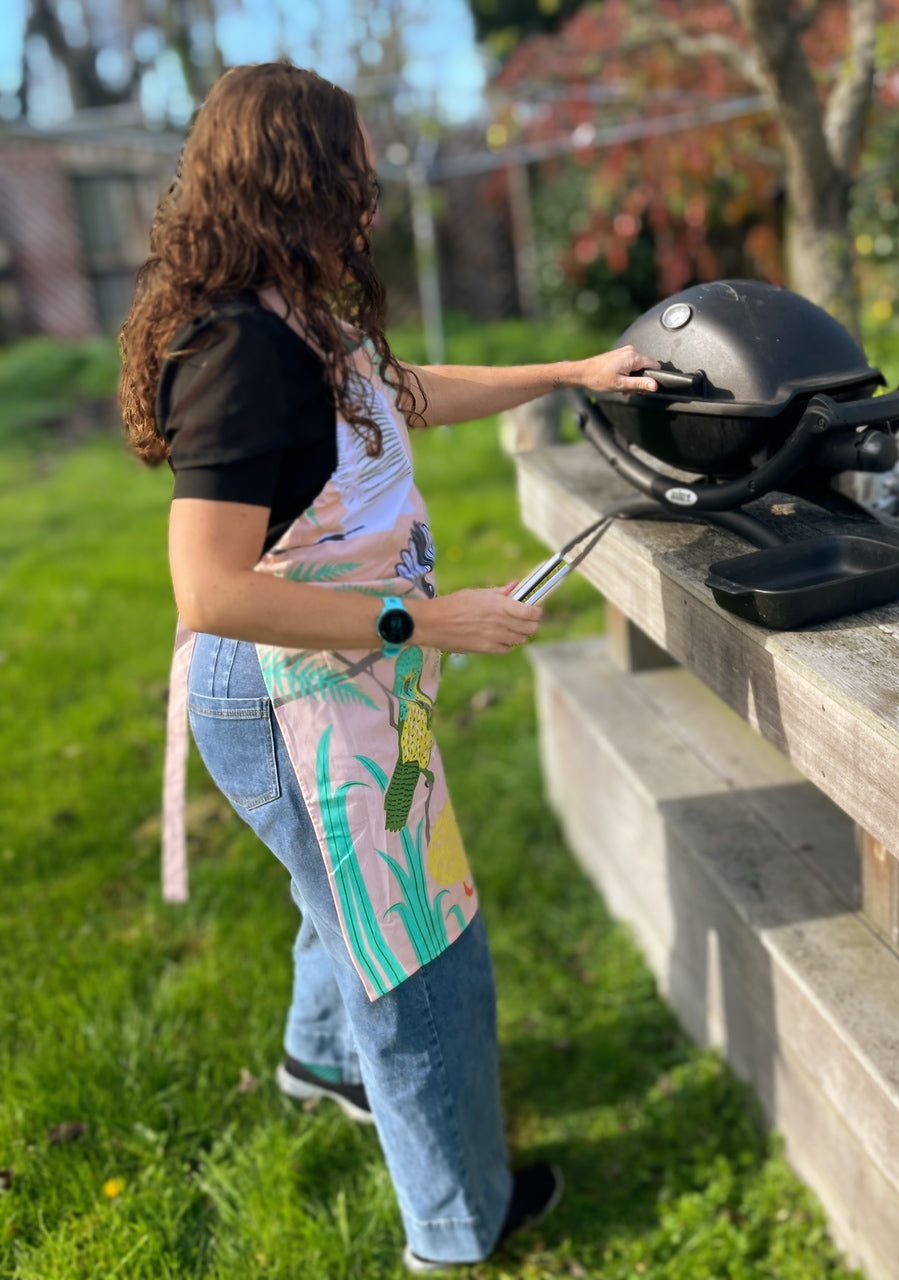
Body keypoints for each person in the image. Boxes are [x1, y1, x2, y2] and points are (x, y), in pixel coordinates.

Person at [117, 61, 659, 1273]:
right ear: (293, 180)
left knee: (344, 908)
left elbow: (398, 394)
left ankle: (316, 1061)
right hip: (289, 703)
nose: (367, 191)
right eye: (351, 171)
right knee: (417, 960)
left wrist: (571, 372)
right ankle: (457, 1230)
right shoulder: (238, 349)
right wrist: (432, 621)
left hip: (338, 682)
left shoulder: (291, 308)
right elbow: (208, 591)